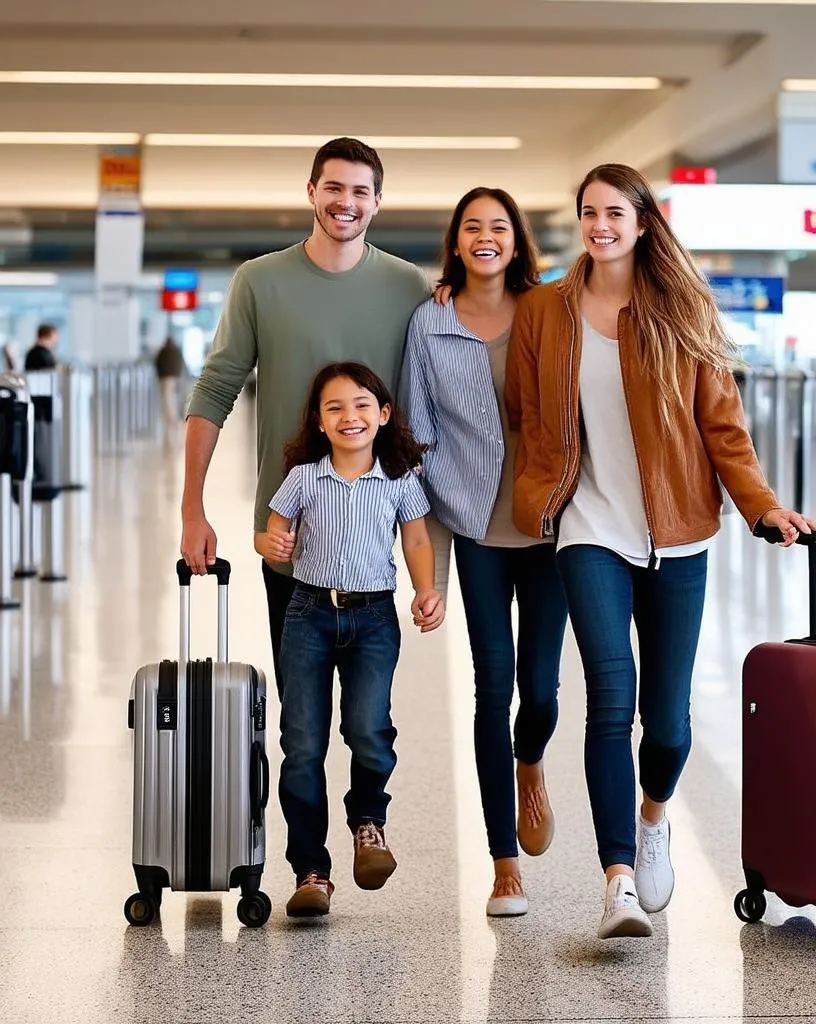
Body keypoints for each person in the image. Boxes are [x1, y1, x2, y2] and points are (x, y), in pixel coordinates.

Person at [505, 163, 816, 941]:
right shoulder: (546, 311)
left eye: (614, 212)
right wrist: (539, 496)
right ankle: (617, 879)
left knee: (667, 724)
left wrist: (761, 507)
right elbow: (525, 415)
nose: (600, 225)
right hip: (586, 525)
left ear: (643, 221)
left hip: (677, 531)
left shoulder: (681, 309)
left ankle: (655, 817)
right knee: (609, 697)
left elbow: (723, 427)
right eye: (588, 211)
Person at [180, 137, 431, 697]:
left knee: (371, 722)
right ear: (312, 191)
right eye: (334, 187)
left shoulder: (407, 286)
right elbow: (216, 389)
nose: (346, 201)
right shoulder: (260, 280)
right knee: (301, 718)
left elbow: (424, 398)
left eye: (360, 191)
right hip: (286, 534)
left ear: (378, 202)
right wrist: (192, 509)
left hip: (371, 541)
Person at [400, 188, 569, 919]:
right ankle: (504, 865)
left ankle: (531, 763)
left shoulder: (550, 311)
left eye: (498, 226)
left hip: (548, 526)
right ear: (456, 241)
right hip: (475, 527)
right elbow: (412, 430)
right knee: (490, 688)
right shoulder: (429, 321)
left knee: (541, 691)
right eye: (473, 227)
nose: (485, 237)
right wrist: (424, 561)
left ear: (516, 240)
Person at [257, 361, 444, 918]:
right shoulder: (303, 478)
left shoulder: (399, 478)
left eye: (362, 405)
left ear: (383, 415)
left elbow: (415, 539)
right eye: (334, 407)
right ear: (318, 421)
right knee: (303, 744)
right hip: (309, 614)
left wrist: (426, 590)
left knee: (368, 728)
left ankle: (368, 822)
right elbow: (271, 530)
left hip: (374, 620)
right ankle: (311, 869)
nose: (350, 416)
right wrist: (271, 543)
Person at [154, 336, 186, 441]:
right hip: (174, 379)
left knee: (168, 400)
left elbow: (158, 364)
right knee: (173, 399)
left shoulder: (163, 352)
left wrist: (160, 376)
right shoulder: (176, 352)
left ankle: (171, 420)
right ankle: (173, 419)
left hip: (166, 380)